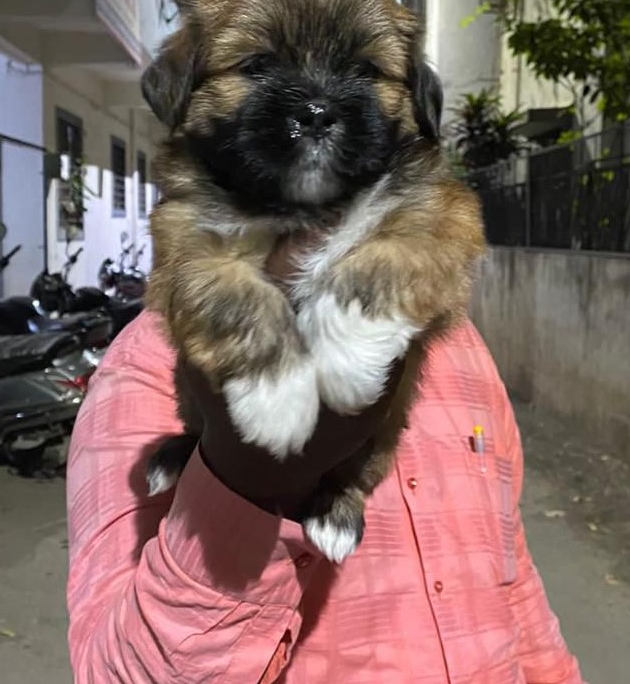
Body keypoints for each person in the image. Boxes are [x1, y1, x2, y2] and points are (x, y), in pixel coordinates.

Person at [66, 231, 585, 683]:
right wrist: (246, 483)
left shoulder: (460, 346)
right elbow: (115, 671)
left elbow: (513, 583)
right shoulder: (152, 360)